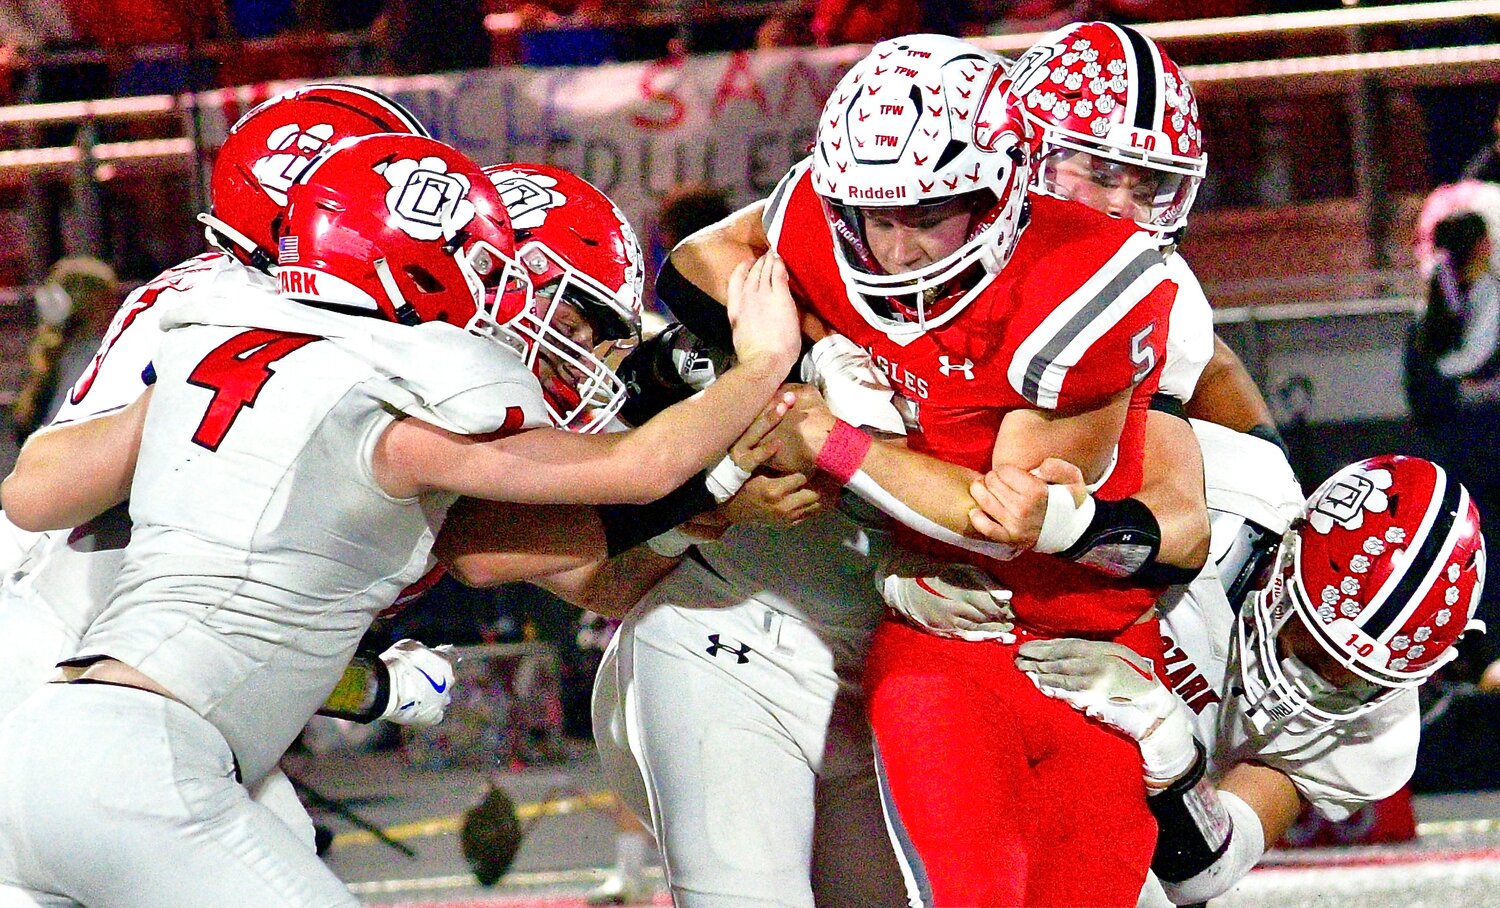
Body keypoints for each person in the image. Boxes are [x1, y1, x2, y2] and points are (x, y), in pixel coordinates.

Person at [0, 132, 801, 907]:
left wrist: (371, 687)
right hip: (102, 726)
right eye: (567, 316)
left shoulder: (248, 342)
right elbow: (629, 477)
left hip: (90, 738)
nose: (578, 351)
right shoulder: (380, 388)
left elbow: (557, 562)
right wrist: (745, 405)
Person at [663, 31, 1210, 906]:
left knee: (1162, 876)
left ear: (1001, 189)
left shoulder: (1101, 276)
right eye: (882, 218)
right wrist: (817, 353)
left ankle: (1199, 773)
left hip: (1088, 627)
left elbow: (1000, 516)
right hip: (945, 639)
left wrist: (835, 432)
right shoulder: (831, 207)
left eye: (931, 216)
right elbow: (695, 264)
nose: (904, 250)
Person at [1012, 452, 1486, 906]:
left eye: (1358, 682)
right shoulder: (1222, 493)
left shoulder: (1378, 734)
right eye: (1312, 644)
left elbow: (1206, 869)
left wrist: (1170, 744)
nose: (1310, 689)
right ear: (1287, 556)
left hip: (1133, 808)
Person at [11, 255, 120, 442]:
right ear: (91, 304)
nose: (116, 308)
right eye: (108, 301)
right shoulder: (87, 355)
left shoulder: (55, 351)